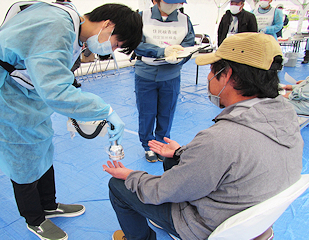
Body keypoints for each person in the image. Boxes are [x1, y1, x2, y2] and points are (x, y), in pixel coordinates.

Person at [0, 2, 142, 240]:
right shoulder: (57, 26)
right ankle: (35, 219)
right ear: (107, 25)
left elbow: (57, 72)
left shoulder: (73, 27)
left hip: (25, 88)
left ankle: (49, 205)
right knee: (23, 157)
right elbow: (56, 91)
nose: (110, 49)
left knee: (42, 144)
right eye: (116, 43)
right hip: (2, 90)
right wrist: (106, 110)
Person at [103, 33, 303, 240]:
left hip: (210, 224)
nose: (208, 76)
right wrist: (181, 153)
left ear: (227, 75)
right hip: (253, 217)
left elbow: (162, 190)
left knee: (118, 187)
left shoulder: (222, 138)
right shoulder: (286, 115)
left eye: (211, 70)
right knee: (172, 158)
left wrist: (131, 175)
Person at [134, 0, 195, 162]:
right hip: (145, 74)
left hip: (171, 75)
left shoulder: (184, 20)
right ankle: (148, 146)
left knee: (167, 112)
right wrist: (161, 52)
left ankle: (161, 144)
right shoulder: (141, 17)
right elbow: (135, 44)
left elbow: (189, 45)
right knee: (147, 112)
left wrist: (179, 59)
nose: (174, 5)